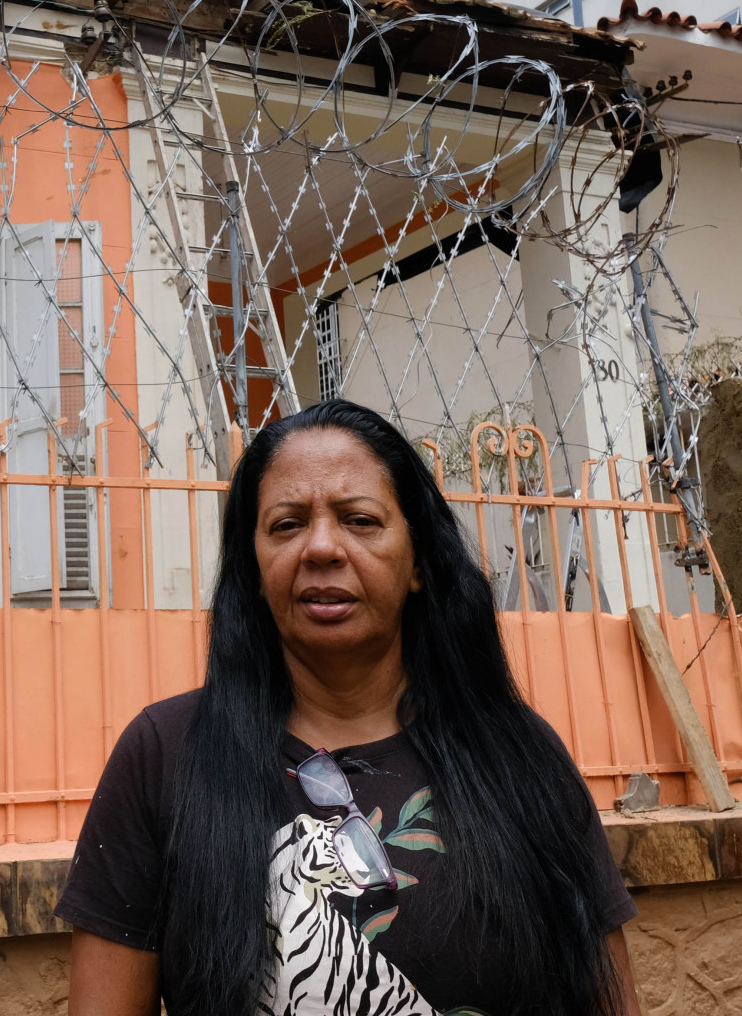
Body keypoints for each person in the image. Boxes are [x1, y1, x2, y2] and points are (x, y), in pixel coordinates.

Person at [57, 400, 638, 1016]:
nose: (322, 548)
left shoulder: (519, 758)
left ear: (417, 561)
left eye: (359, 520)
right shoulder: (164, 758)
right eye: (286, 525)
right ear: (253, 569)